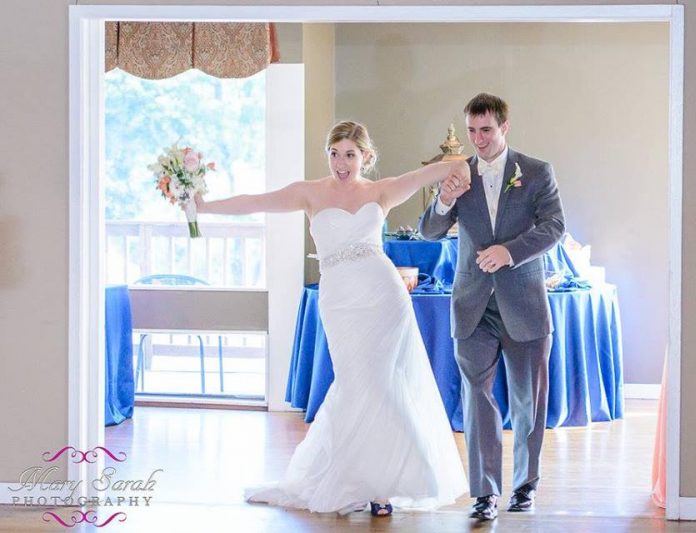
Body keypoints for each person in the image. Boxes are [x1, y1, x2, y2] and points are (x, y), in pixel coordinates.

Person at [192, 121, 468, 516]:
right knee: (358, 385)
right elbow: (256, 201)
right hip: (340, 301)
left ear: (365, 157)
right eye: (334, 153)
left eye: (350, 154)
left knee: (385, 385)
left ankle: (384, 488)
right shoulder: (309, 193)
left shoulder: (381, 190)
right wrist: (203, 205)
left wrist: (462, 180)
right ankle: (358, 476)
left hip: (383, 296)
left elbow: (444, 167)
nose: (341, 163)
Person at [418, 93, 565, 520]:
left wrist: (510, 252)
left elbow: (555, 226)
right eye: (472, 131)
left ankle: (525, 486)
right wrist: (444, 200)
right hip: (472, 303)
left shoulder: (536, 172)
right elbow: (429, 231)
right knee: (476, 399)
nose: (478, 140)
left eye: (486, 130)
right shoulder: (457, 173)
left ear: (504, 127)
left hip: (525, 302)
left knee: (528, 402)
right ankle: (484, 493)